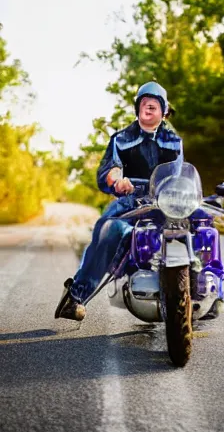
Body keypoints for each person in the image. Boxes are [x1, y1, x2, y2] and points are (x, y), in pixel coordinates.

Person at [55, 81, 183, 321]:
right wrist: (117, 181)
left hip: (165, 201)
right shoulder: (121, 138)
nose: (148, 107)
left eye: (154, 104)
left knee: (198, 224)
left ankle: (201, 288)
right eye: (143, 103)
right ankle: (75, 296)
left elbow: (180, 173)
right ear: (137, 108)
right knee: (109, 229)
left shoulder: (174, 141)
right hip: (130, 201)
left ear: (164, 111)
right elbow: (109, 169)